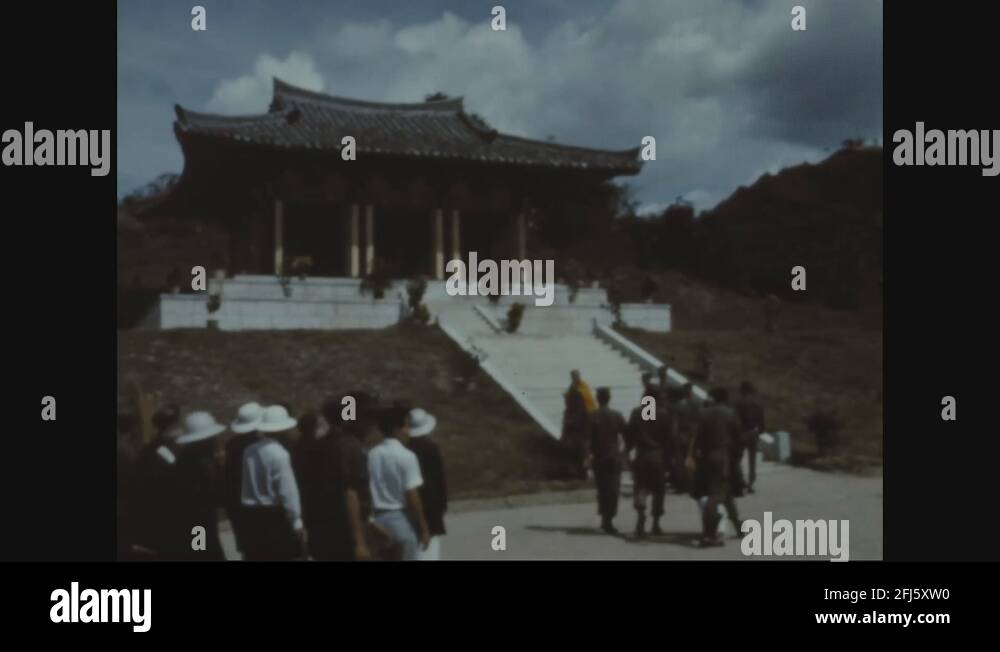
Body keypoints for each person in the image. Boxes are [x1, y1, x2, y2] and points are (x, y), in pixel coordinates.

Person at [240, 405, 305, 561]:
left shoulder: (249, 450)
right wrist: (296, 521)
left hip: (252, 515)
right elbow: (287, 492)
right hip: (275, 517)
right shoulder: (280, 454)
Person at [367, 404, 431, 560]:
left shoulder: (371, 454)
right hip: (400, 520)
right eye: (407, 426)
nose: (408, 431)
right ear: (397, 429)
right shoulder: (407, 456)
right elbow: (412, 496)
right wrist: (423, 527)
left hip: (376, 523)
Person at [687, 388, 742, 547]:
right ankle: (710, 535)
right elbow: (738, 438)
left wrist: (695, 457)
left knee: (725, 491)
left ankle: (738, 526)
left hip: (706, 457)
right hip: (723, 457)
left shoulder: (703, 414)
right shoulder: (730, 414)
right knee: (715, 495)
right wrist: (735, 458)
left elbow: (697, 438)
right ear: (725, 398)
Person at [172, 411, 228, 561]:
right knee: (202, 552)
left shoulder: (184, 458)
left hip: (193, 520)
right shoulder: (204, 464)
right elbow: (217, 494)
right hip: (199, 523)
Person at [626, 390, 673, 537]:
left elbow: (629, 436)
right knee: (659, 490)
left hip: (641, 455)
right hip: (658, 456)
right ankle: (656, 524)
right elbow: (669, 438)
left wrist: (627, 452)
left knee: (641, 486)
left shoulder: (636, 412)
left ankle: (641, 515)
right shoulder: (663, 414)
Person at [406, 408, 448, 560]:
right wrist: (442, 505)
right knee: (430, 550)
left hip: (409, 505)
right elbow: (439, 480)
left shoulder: (405, 448)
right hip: (431, 504)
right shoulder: (431, 448)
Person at [585, 387, 627, 534]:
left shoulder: (592, 416)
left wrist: (588, 456)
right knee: (613, 489)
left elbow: (587, 439)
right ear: (609, 398)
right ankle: (608, 519)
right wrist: (625, 452)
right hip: (613, 457)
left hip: (599, 458)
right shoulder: (617, 415)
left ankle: (605, 518)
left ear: (598, 398)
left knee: (602, 489)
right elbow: (627, 434)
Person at [224, 402, 263, 555]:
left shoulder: (231, 445)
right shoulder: (260, 446)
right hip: (259, 507)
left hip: (238, 505)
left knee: (249, 550)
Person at [563, 370, 596, 475]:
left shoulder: (582, 387)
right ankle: (582, 467)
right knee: (582, 446)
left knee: (584, 445)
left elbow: (587, 402)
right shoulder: (573, 388)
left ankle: (586, 466)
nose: (575, 378)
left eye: (576, 376)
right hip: (580, 422)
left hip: (584, 421)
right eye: (573, 376)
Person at [735, 381, 766, 493]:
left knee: (737, 458)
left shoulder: (739, 403)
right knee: (752, 460)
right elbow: (762, 420)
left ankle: (741, 481)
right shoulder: (758, 403)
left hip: (743, 433)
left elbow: (736, 420)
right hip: (754, 433)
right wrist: (760, 431)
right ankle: (751, 483)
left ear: (743, 390)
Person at [670, 383, 700, 493]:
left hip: (681, 435)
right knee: (692, 460)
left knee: (680, 461)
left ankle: (681, 486)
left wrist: (674, 437)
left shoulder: (677, 406)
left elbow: (675, 424)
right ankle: (691, 484)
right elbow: (698, 422)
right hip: (692, 435)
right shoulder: (696, 404)